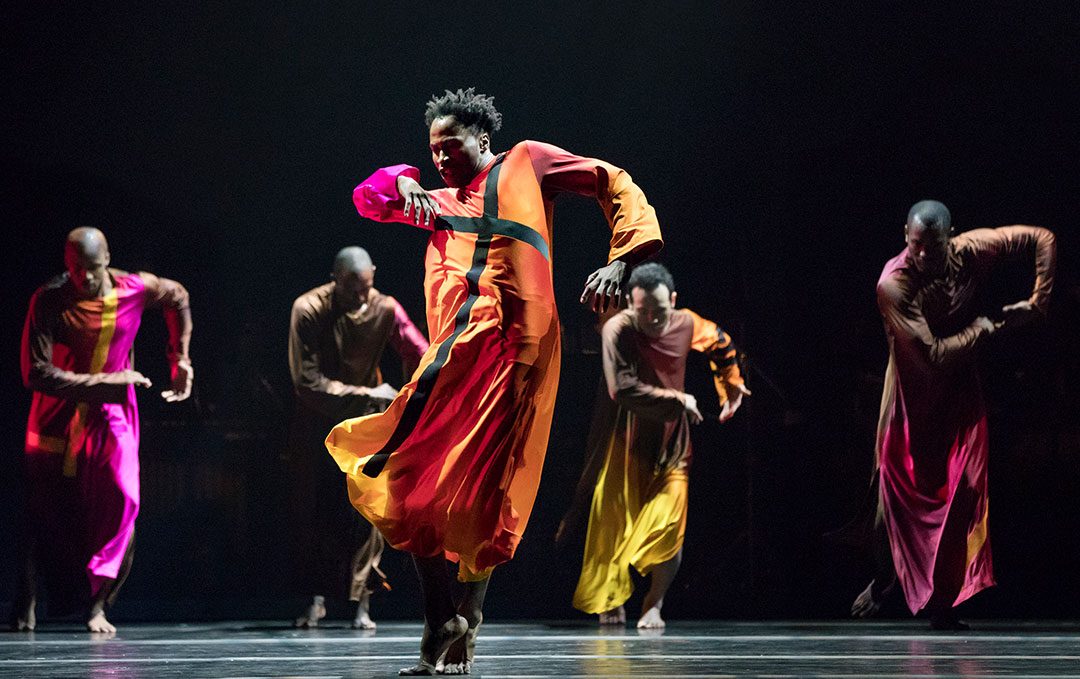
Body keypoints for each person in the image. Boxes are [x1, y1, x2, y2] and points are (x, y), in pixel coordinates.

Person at [325, 88, 663, 675]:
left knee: (490, 486)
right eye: (430, 151)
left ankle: (467, 619)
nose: (439, 158)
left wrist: (621, 257)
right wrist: (401, 176)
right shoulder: (432, 200)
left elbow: (613, 179)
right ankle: (441, 618)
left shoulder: (525, 163)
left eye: (449, 145)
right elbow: (367, 199)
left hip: (516, 347)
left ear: (482, 139)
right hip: (453, 355)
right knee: (404, 476)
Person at [856, 201, 1056, 629]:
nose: (925, 255)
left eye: (934, 246)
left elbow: (1043, 238)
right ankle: (884, 579)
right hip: (911, 393)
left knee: (963, 489)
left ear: (951, 238)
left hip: (959, 395)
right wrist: (985, 329)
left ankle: (942, 604)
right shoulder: (894, 284)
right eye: (916, 246)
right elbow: (932, 358)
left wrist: (1039, 301)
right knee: (889, 496)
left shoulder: (973, 249)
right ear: (905, 238)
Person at [15, 226, 193, 633]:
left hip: (111, 415)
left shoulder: (133, 288)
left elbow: (178, 296)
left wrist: (179, 357)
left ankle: (97, 604)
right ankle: (27, 597)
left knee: (123, 496)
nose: (84, 279)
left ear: (108, 260)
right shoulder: (49, 300)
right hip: (56, 416)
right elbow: (35, 373)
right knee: (45, 509)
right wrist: (103, 384)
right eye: (76, 270)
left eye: (92, 269)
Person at [559, 263, 749, 629]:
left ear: (673, 302)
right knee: (611, 522)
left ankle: (654, 602)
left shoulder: (685, 322)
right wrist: (678, 400)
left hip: (671, 446)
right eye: (643, 311)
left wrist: (732, 383)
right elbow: (623, 389)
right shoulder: (617, 328)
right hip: (624, 441)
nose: (652, 320)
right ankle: (610, 598)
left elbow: (721, 342)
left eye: (660, 312)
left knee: (670, 524)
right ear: (630, 302)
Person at [288, 246, 427, 629]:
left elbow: (420, 352)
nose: (360, 297)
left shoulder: (384, 308)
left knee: (369, 510)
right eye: (351, 289)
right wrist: (369, 395)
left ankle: (362, 602)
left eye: (365, 288)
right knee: (319, 509)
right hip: (319, 421)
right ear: (335, 279)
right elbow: (306, 381)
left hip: (367, 426)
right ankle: (315, 600)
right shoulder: (310, 309)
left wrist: (409, 401)